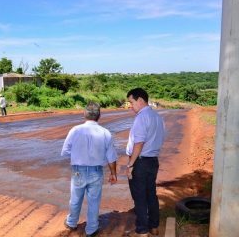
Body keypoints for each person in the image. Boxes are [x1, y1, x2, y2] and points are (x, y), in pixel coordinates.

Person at [61, 102, 118, 237]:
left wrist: (78, 156)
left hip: (78, 170)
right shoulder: (105, 132)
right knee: (94, 201)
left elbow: (65, 151)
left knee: (75, 199)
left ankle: (71, 223)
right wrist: (113, 173)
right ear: (99, 115)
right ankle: (91, 229)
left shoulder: (75, 130)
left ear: (84, 114)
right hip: (96, 172)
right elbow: (111, 156)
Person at [125, 88, 165, 237]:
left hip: (140, 162)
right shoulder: (157, 116)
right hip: (153, 161)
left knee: (139, 196)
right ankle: (154, 226)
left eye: (131, 102)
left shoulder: (142, 117)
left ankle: (142, 230)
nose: (130, 106)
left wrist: (130, 165)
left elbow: (139, 143)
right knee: (151, 194)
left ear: (140, 100)